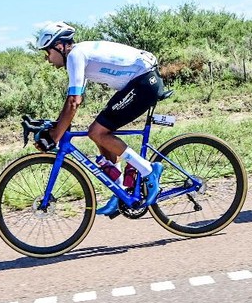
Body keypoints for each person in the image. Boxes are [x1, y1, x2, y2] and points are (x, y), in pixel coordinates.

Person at [35, 22, 165, 216]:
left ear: (59, 46)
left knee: (97, 132)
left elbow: (73, 102)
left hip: (144, 82)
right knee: (99, 133)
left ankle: (148, 170)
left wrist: (54, 135)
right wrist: (58, 127)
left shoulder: (75, 56)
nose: (47, 59)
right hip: (139, 81)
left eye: (47, 52)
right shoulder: (80, 54)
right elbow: (72, 100)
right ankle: (120, 191)